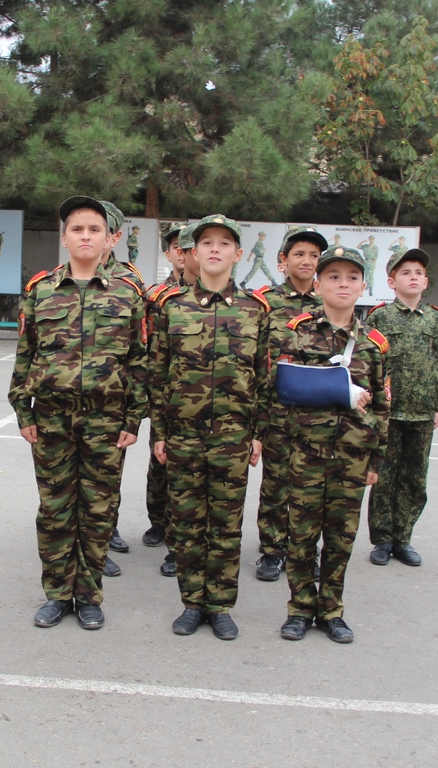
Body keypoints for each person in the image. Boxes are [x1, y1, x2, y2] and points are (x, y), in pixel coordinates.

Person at [8, 195, 149, 631]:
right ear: (65, 237)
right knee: (55, 510)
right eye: (77, 229)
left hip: (106, 420)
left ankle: (88, 596)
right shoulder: (41, 291)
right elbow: (26, 354)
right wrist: (23, 411)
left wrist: (133, 419)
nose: (85, 236)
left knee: (98, 511)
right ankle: (56, 594)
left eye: (94, 229)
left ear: (109, 239)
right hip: (52, 418)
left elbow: (139, 359)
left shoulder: (128, 293)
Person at [152, 215, 270, 641]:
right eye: (206, 242)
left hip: (234, 437)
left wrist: (258, 434)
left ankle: (219, 605)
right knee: (186, 524)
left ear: (238, 254)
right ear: (193, 253)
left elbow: (264, 377)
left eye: (224, 243)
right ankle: (191, 603)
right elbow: (158, 374)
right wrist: (160, 433)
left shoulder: (256, 310)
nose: (215, 249)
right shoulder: (172, 307)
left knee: (226, 525)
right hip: (183, 435)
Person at [274, 246, 389, 644]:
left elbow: (383, 405)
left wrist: (376, 459)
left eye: (352, 277)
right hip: (305, 452)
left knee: (341, 539)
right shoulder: (298, 332)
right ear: (318, 284)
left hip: (353, 456)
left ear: (363, 286)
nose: (343, 284)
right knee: (301, 536)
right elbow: (282, 391)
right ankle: (299, 610)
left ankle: (332, 611)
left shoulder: (374, 344)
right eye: (334, 276)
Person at [365, 247, 438, 567]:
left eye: (418, 273)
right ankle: (382, 539)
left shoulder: (436, 319)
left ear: (426, 282)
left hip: (422, 411)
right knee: (384, 477)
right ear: (392, 282)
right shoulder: (380, 317)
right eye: (405, 273)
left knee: (415, 478)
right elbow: (369, 361)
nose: (413, 278)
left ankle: (403, 538)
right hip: (389, 412)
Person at [253, 227, 327, 583]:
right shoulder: (266, 302)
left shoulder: (327, 303)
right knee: (275, 482)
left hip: (316, 413)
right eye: (299, 254)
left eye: (314, 256)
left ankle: (305, 552)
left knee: (310, 487)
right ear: (283, 260)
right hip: (276, 409)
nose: (306, 261)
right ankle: (272, 550)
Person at [95, 200, 145, 575]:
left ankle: (105, 532)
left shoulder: (130, 282)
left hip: (113, 399)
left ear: (114, 236)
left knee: (108, 475)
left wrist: (135, 410)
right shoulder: (53, 282)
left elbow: (139, 348)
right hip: (68, 402)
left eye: (102, 229)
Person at [141, 224, 186, 556]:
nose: (183, 252)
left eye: (188, 246)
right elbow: (145, 341)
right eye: (176, 247)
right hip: (160, 387)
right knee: (159, 460)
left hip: (192, 392)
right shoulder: (155, 296)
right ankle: (158, 521)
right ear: (168, 253)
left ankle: (178, 530)